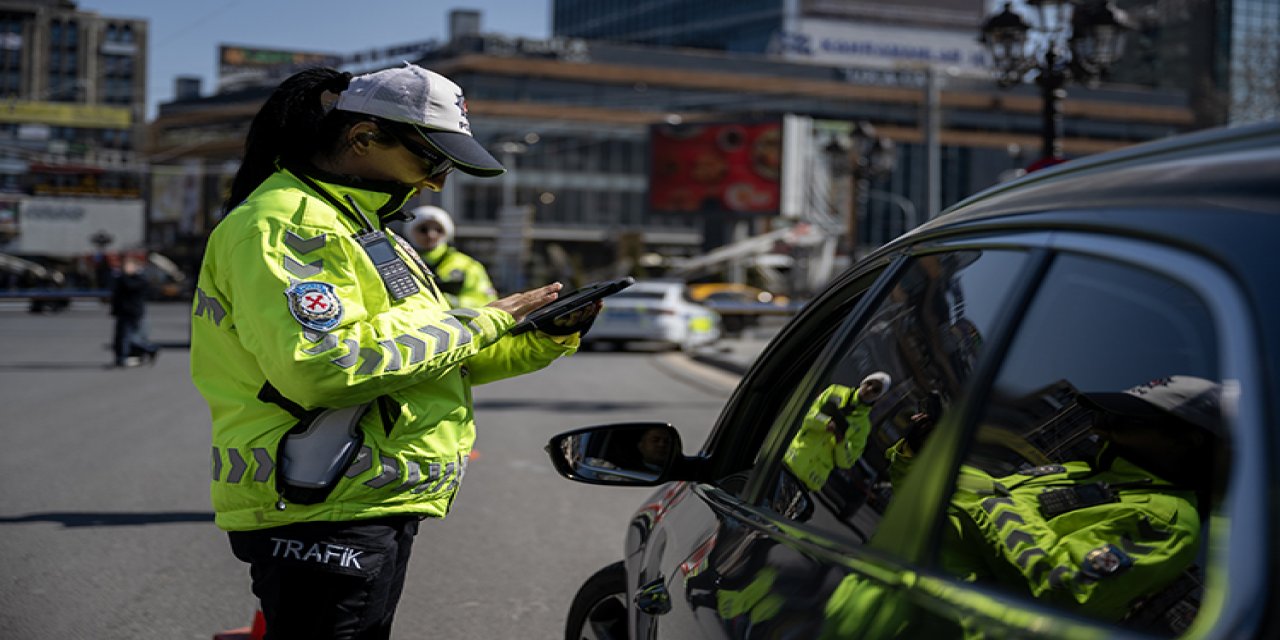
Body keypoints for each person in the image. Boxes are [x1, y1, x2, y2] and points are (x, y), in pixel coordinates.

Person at [189, 63, 599, 639]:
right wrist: (484, 323)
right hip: (321, 503)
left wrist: (545, 335)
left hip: (358, 501)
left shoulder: (363, 227)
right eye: (431, 159)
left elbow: (430, 361)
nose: (436, 182)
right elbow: (326, 369)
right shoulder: (290, 224)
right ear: (362, 139)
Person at [405, 205, 498, 308]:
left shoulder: (468, 265)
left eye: (438, 230)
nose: (431, 235)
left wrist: (449, 302)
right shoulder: (400, 262)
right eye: (423, 230)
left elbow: (487, 304)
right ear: (410, 231)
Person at [109, 253, 159, 367]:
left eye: (127, 266)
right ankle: (147, 350)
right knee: (124, 337)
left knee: (126, 337)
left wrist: (124, 276)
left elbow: (131, 287)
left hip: (133, 312)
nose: (123, 268)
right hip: (123, 311)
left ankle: (124, 357)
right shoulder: (122, 278)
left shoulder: (138, 279)